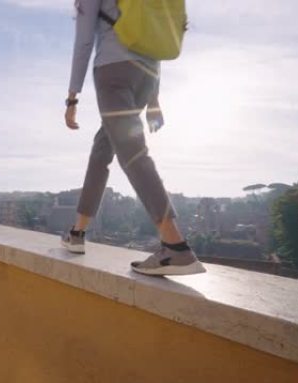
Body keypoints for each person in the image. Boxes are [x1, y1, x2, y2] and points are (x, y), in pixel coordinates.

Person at [60, 0, 205, 276]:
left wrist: (72, 97)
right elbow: (152, 35)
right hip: (146, 76)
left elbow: (83, 42)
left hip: (113, 73)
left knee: (132, 152)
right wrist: (154, 99)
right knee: (103, 148)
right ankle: (77, 232)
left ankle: (175, 246)